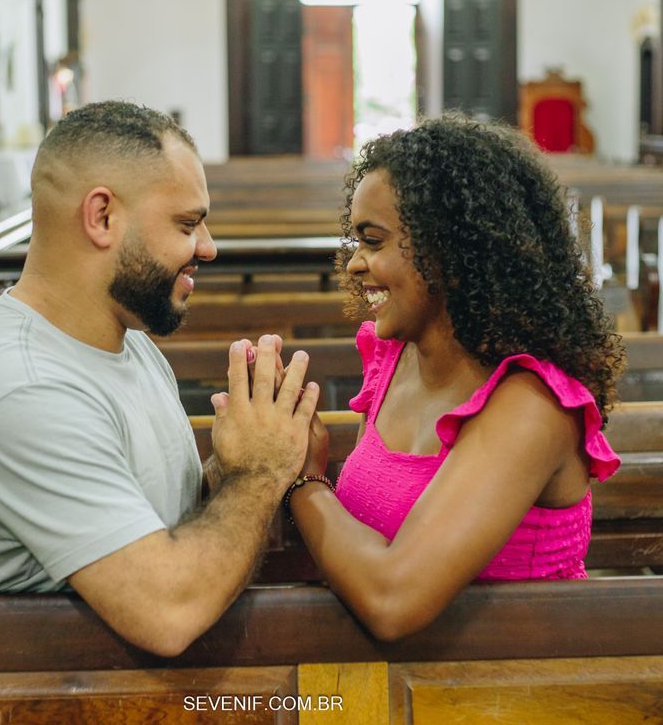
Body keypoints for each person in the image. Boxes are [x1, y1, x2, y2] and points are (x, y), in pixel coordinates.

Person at [0, 100, 319, 657]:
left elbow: (161, 521)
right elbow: (168, 612)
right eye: (187, 223)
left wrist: (228, 466)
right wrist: (256, 475)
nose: (208, 247)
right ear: (102, 216)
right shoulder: (26, 389)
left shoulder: (126, 340)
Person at [266, 115, 625, 642]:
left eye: (373, 241)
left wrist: (302, 478)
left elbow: (392, 599)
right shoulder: (394, 359)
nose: (354, 265)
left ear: (451, 251)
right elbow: (359, 541)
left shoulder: (532, 405)